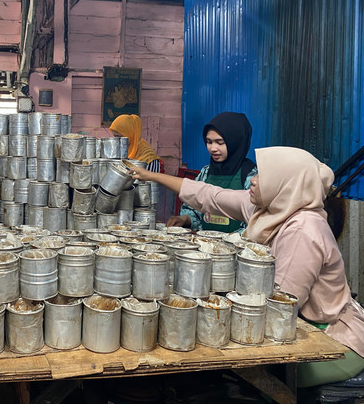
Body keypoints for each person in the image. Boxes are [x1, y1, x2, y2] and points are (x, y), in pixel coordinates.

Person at [130, 146, 364, 387]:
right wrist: (150, 175)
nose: (252, 180)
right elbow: (210, 195)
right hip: (298, 321)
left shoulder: (304, 231)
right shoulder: (269, 208)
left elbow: (279, 304)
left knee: (245, 372)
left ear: (284, 184)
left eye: (262, 176)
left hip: (331, 340)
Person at [168, 111, 257, 232]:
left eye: (220, 143)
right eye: (209, 142)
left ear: (235, 142)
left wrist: (230, 240)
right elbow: (193, 207)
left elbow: (254, 221)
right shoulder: (206, 172)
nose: (212, 148)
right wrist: (185, 218)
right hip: (206, 245)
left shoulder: (251, 176)